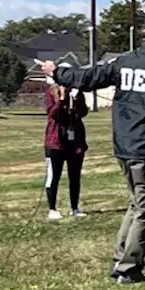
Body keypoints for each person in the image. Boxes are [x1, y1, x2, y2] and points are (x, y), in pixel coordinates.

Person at [40, 16, 145, 284]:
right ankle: (129, 268)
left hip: (125, 147)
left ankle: (121, 259)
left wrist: (57, 72)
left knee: (137, 203)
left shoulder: (123, 61)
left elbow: (87, 78)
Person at [44, 74, 88, 220]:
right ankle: (52, 209)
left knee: (74, 176)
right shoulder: (51, 93)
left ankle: (74, 208)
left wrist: (77, 99)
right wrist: (61, 100)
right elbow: (52, 113)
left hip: (74, 142)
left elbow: (83, 112)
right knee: (54, 176)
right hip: (55, 142)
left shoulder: (76, 92)